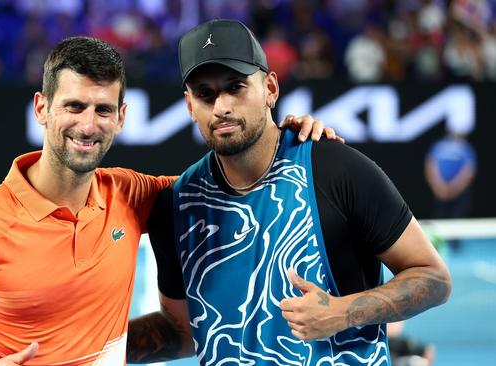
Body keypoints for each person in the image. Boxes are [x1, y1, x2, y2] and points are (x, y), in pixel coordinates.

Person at [0, 36, 333, 365]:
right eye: (74, 106)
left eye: (103, 110)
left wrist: (288, 137)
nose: (88, 125)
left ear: (121, 118)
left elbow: (238, 178)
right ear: (42, 108)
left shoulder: (132, 193)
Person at [127, 19, 452, 365]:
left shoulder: (335, 169)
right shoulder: (177, 206)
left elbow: (433, 277)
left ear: (270, 88)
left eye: (235, 87)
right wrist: (77, 342)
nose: (221, 106)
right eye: (205, 94)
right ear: (190, 105)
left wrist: (342, 312)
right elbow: (182, 333)